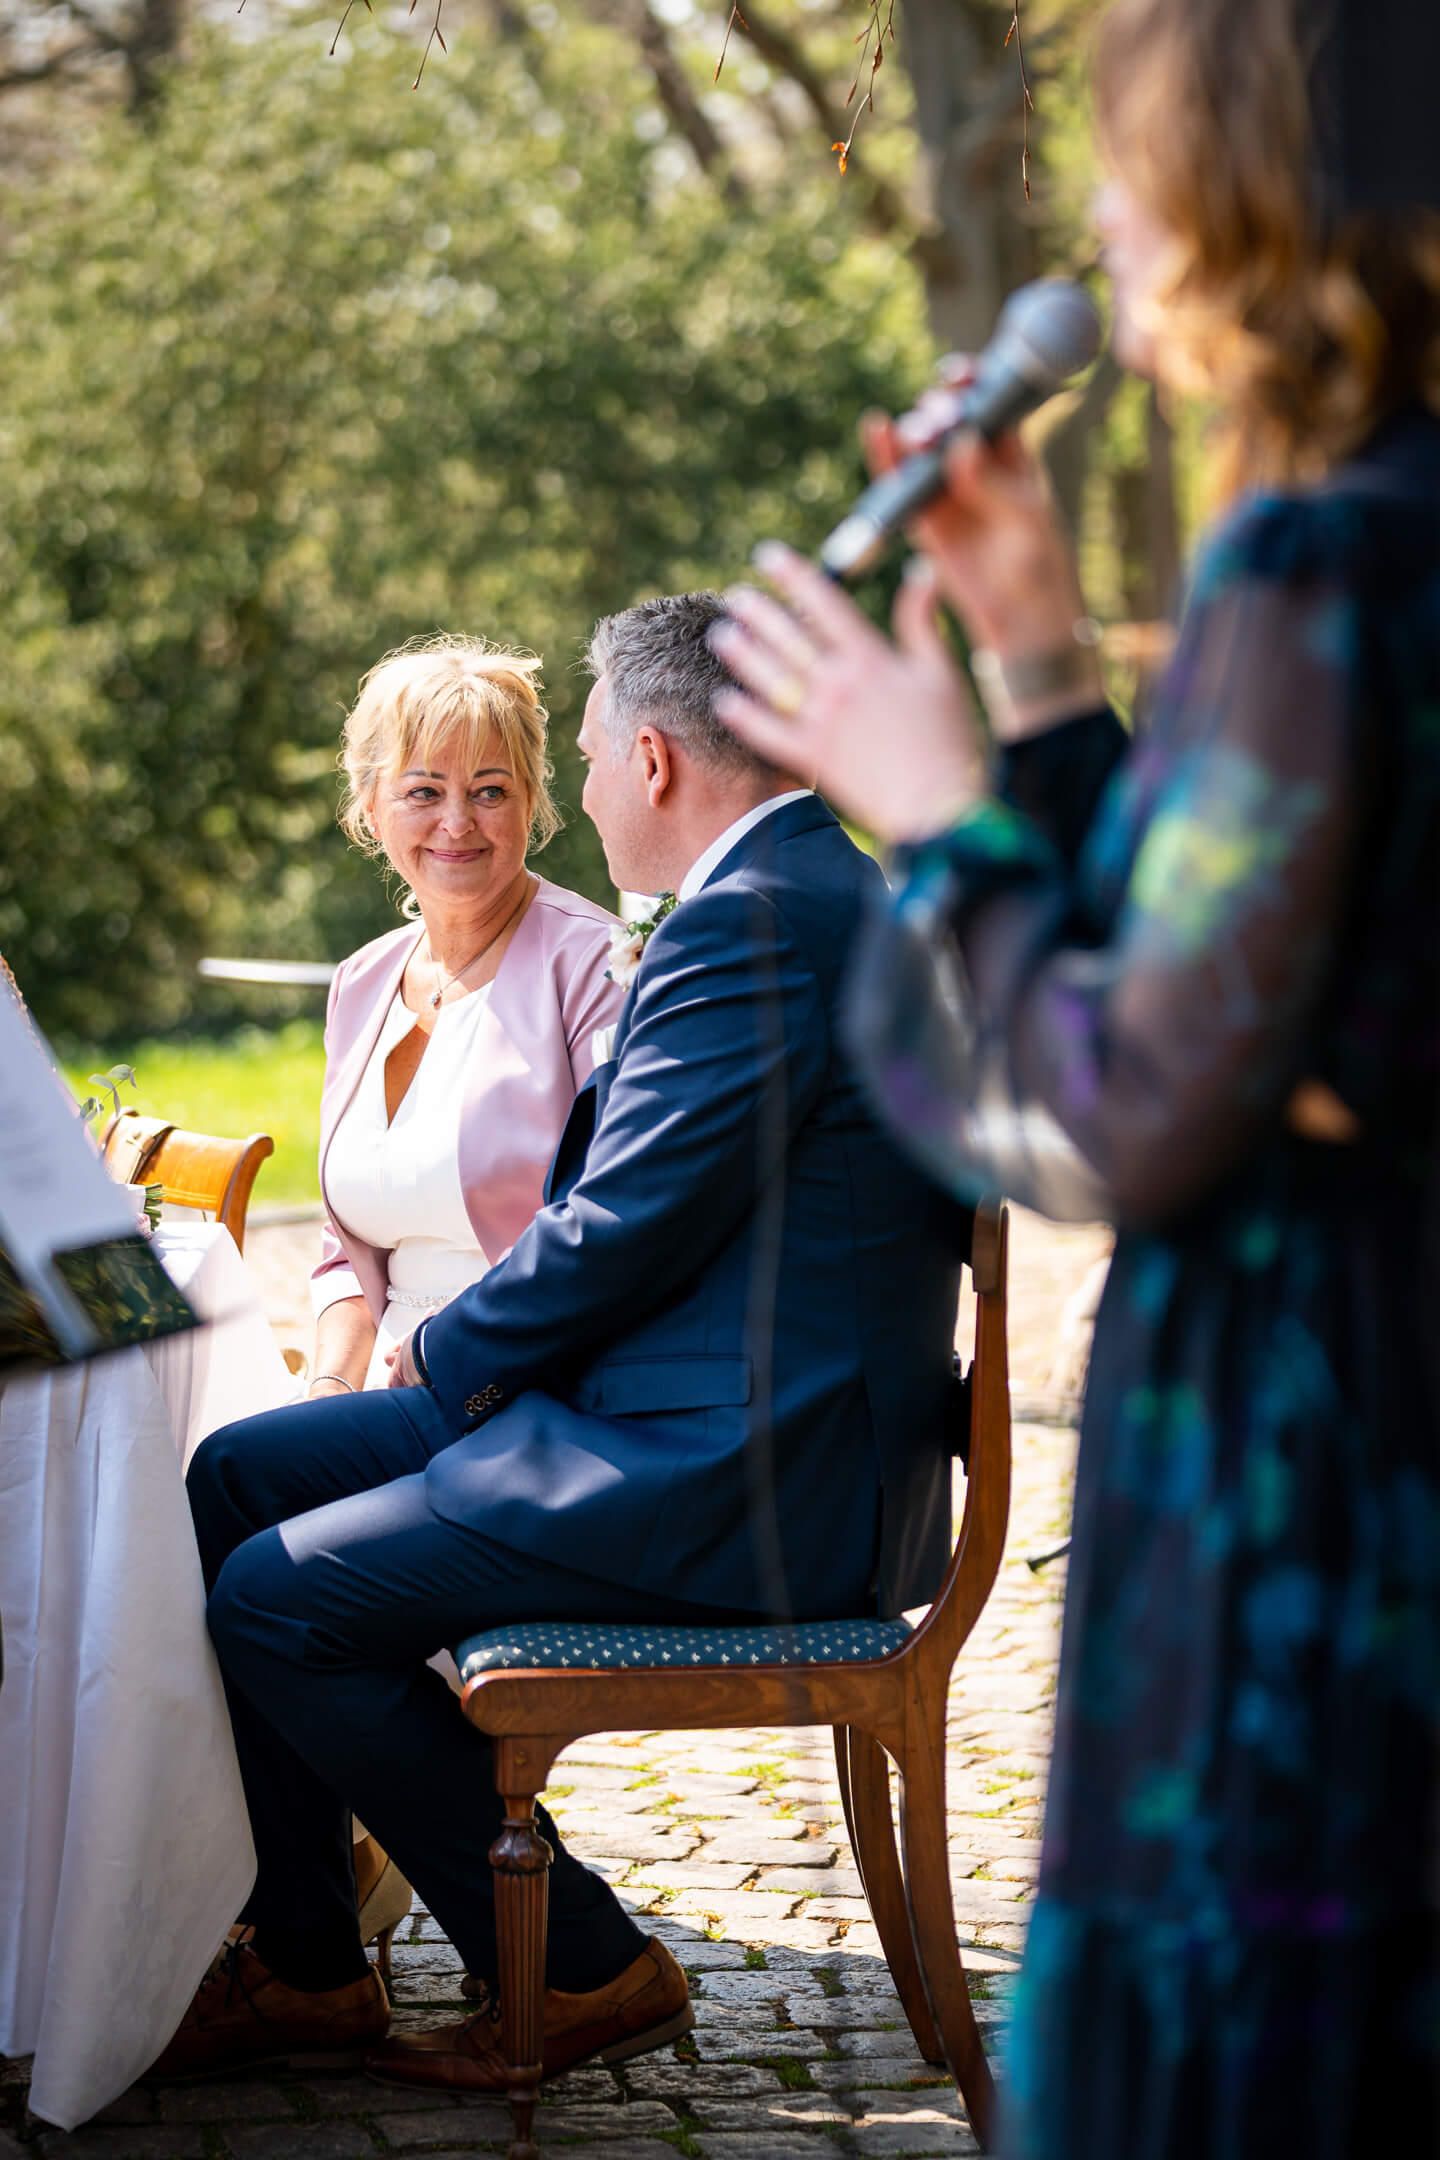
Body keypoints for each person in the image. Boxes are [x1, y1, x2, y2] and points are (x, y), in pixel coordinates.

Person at [711, 1, 1440, 2151]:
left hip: (1310, 1471)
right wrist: (1036, 658)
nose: (1102, 219)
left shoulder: (1327, 561)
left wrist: (938, 818)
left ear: (1248, 189)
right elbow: (1232, 963)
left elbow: (1124, 1098)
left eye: (1131, 160)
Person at [150, 592, 969, 2088]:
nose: (581, 793)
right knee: (237, 1479)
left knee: (276, 1600)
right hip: (691, 1410)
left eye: (580, 760)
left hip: (738, 1472)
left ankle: (584, 1964)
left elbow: (621, 1224)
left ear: (653, 760)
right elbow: (659, 1215)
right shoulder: (796, 891)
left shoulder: (755, 922)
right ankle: (309, 1959)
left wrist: (446, 1355)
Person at [307, 634, 624, 1399]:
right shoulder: (360, 982)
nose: (457, 823)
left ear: (530, 803)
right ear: (370, 808)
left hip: (532, 1383)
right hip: (378, 1391)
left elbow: (609, 1223)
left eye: (489, 791)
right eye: (423, 792)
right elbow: (343, 1254)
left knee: (233, 1467)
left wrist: (439, 1364)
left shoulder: (597, 966)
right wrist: (328, 1387)